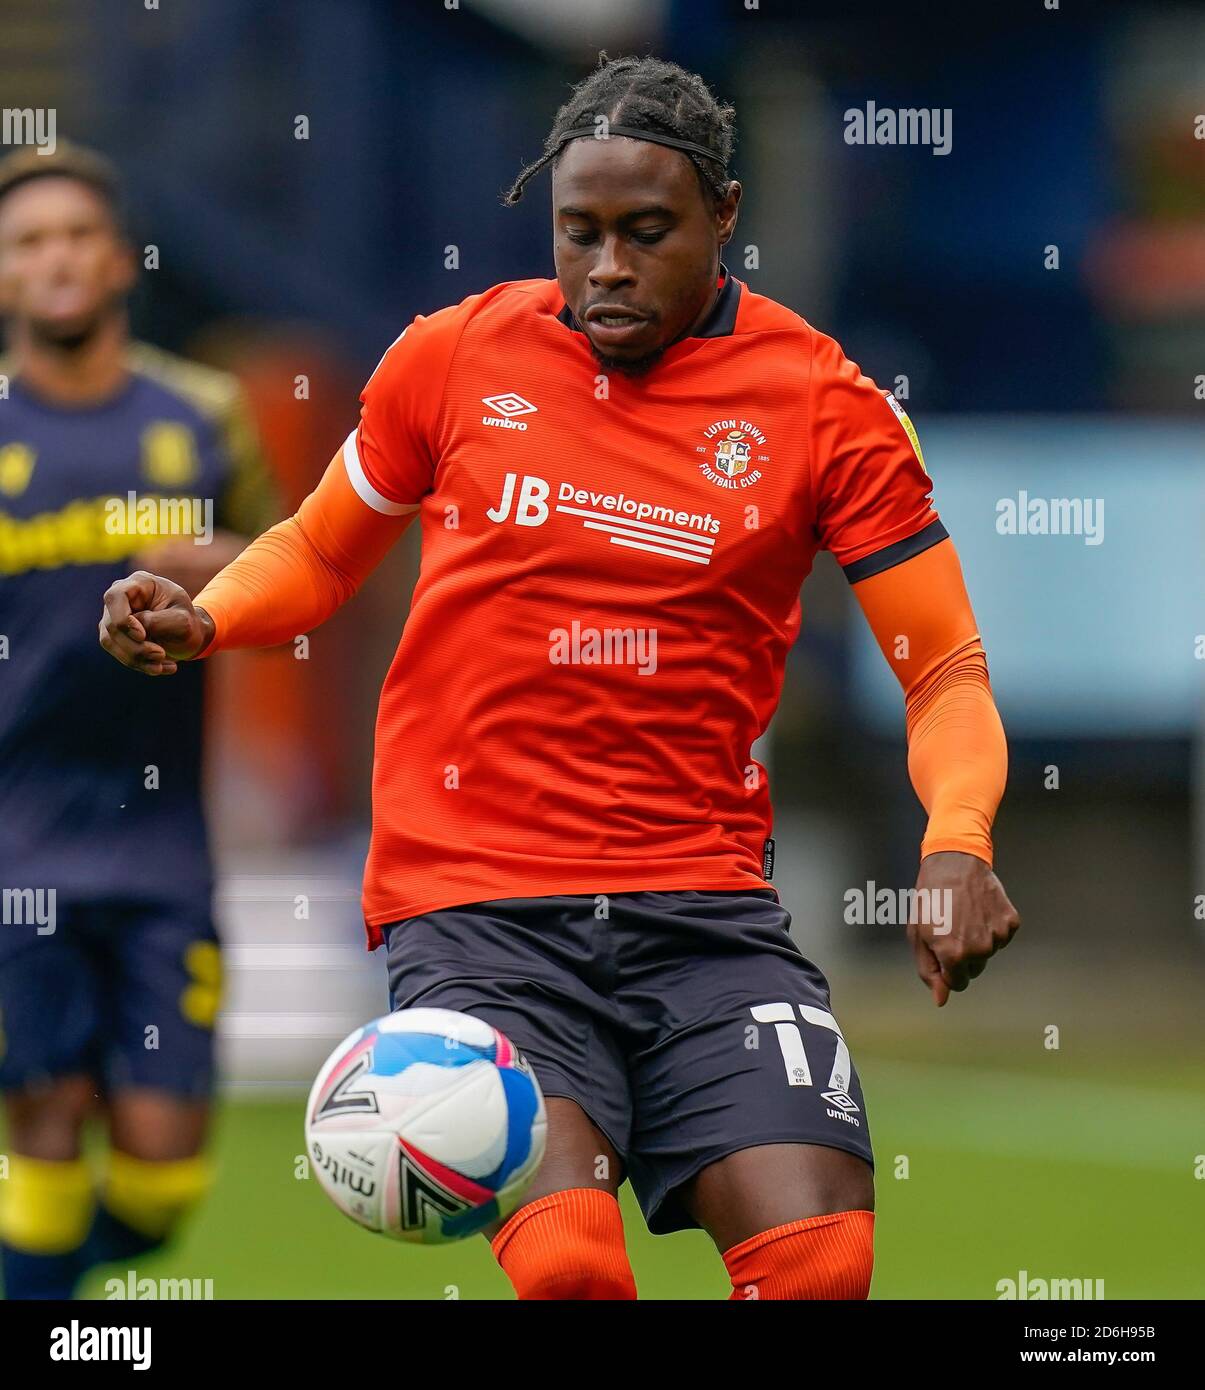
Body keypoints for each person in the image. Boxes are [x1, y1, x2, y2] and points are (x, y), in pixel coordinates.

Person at [98, 55, 1018, 1300]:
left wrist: (955, 838)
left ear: (726, 218)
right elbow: (317, 550)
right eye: (577, 233)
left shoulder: (825, 407)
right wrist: (206, 615)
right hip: (477, 910)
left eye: (646, 233)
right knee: (574, 1269)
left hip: (702, 910)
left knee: (819, 1265)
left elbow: (943, 670)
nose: (606, 269)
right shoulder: (455, 356)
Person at [0, 142, 276, 1298]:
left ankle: (48, 1288)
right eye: (27, 242)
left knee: (160, 1172)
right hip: (16, 840)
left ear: (119, 262)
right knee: (44, 1111)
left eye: (76, 237)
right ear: (2, 275)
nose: (54, 259)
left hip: (162, 843)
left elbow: (295, 563)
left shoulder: (204, 415)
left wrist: (221, 563)